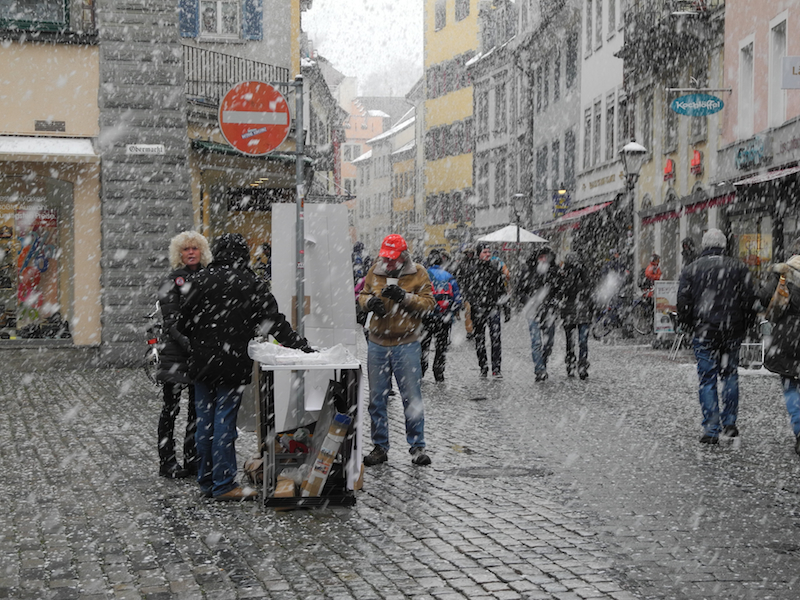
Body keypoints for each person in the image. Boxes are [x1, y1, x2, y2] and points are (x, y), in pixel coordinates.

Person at [178, 233, 314, 500]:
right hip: (232, 363)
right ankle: (223, 484)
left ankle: (207, 481)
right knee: (224, 422)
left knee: (204, 423)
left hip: (202, 363)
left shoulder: (199, 279)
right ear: (243, 255)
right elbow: (274, 322)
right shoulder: (250, 282)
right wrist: (301, 346)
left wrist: (203, 337)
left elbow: (182, 324)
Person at [358, 234, 435, 466]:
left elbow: (428, 303)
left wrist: (404, 297)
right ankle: (379, 447)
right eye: (386, 257)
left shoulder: (418, 272)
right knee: (377, 398)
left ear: (403, 256)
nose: (388, 262)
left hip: (406, 342)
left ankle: (417, 446)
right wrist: (369, 303)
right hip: (377, 342)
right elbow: (363, 295)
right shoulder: (375, 271)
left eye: (392, 258)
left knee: (412, 397)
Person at [677, 228, 757, 444]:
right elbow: (749, 299)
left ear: (704, 245)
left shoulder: (691, 269)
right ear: (724, 246)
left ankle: (711, 428)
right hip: (732, 329)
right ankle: (729, 423)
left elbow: (683, 302)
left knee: (707, 378)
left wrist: (688, 324)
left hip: (704, 331)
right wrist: (746, 324)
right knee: (730, 374)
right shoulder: (738, 267)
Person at [155, 231, 212, 478]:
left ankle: (192, 458)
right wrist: (191, 344)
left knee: (196, 411)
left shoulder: (207, 278)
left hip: (196, 354)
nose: (190, 252)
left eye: (194, 248)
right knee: (171, 409)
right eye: (186, 249)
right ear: (179, 253)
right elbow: (171, 322)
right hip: (176, 355)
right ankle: (167, 461)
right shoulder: (172, 281)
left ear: (202, 251)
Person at [757, 236, 800, 456]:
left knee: (790, 383)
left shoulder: (785, 271)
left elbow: (764, 297)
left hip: (788, 333)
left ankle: (799, 429)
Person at [464, 242, 508, 378]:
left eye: (489, 252)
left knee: (496, 338)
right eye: (485, 252)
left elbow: (501, 289)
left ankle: (496, 368)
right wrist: (475, 304)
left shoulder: (495, 268)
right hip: (478, 310)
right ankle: (483, 367)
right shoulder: (472, 269)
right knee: (480, 339)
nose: (488, 254)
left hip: (493, 308)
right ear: (478, 254)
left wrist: (506, 307)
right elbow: (467, 290)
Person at [516, 246, 560, 382]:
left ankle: (543, 363)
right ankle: (539, 370)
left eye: (545, 257)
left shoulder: (553, 272)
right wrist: (530, 301)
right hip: (533, 311)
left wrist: (554, 302)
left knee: (549, 343)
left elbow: (559, 290)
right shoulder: (528, 272)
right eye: (541, 257)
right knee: (536, 342)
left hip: (548, 311)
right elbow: (520, 291)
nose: (543, 260)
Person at [420, 249, 463, 383]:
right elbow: (457, 299)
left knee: (423, 346)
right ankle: (439, 373)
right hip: (444, 318)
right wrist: (451, 312)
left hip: (426, 317)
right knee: (441, 346)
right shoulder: (449, 276)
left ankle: (421, 370)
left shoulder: (423, 275)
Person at [557, 251, 593, 380]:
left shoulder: (584, 273)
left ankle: (582, 365)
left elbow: (589, 289)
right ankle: (571, 363)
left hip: (582, 309)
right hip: (569, 310)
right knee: (570, 341)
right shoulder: (564, 273)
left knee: (582, 340)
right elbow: (564, 289)